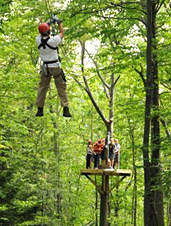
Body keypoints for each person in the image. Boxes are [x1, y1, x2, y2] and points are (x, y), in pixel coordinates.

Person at [35, 17, 71, 117]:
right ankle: (65, 109)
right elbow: (62, 32)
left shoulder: (38, 40)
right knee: (61, 87)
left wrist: (49, 22)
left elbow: (43, 29)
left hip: (45, 68)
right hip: (55, 66)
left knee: (42, 87)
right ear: (49, 31)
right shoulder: (53, 40)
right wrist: (59, 23)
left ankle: (40, 109)